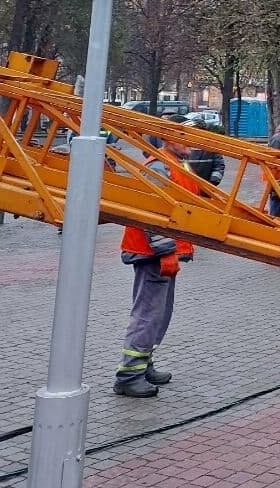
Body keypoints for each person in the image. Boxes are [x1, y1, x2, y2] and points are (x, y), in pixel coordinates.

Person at [114, 134, 199, 397]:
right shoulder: (159, 167)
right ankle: (129, 375)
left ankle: (143, 364)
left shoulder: (174, 163)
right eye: (184, 140)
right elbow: (153, 213)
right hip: (153, 253)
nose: (191, 146)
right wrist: (165, 250)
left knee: (159, 314)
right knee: (148, 315)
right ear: (168, 140)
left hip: (160, 252)